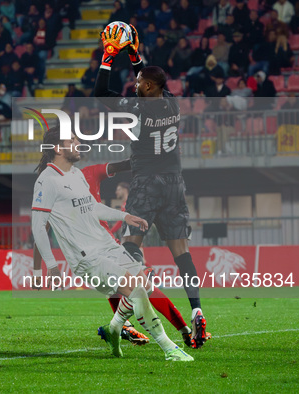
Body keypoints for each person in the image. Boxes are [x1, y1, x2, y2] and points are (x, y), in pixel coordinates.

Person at [31, 128, 193, 362]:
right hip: (87, 257)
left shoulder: (75, 175)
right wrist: (51, 267)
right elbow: (38, 227)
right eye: (73, 140)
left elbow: (93, 208)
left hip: (107, 245)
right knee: (136, 290)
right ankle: (170, 349)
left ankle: (114, 328)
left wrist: (123, 216)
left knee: (145, 287)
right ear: (57, 148)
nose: (78, 143)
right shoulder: (47, 181)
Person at [94, 24, 208, 348]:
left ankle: (120, 322)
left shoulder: (137, 109)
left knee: (129, 250)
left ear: (147, 87)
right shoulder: (172, 103)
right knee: (181, 253)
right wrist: (134, 55)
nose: (136, 83)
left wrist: (109, 57)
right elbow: (149, 76)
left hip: (146, 184)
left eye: (139, 82)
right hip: (175, 183)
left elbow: (101, 93)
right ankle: (197, 309)